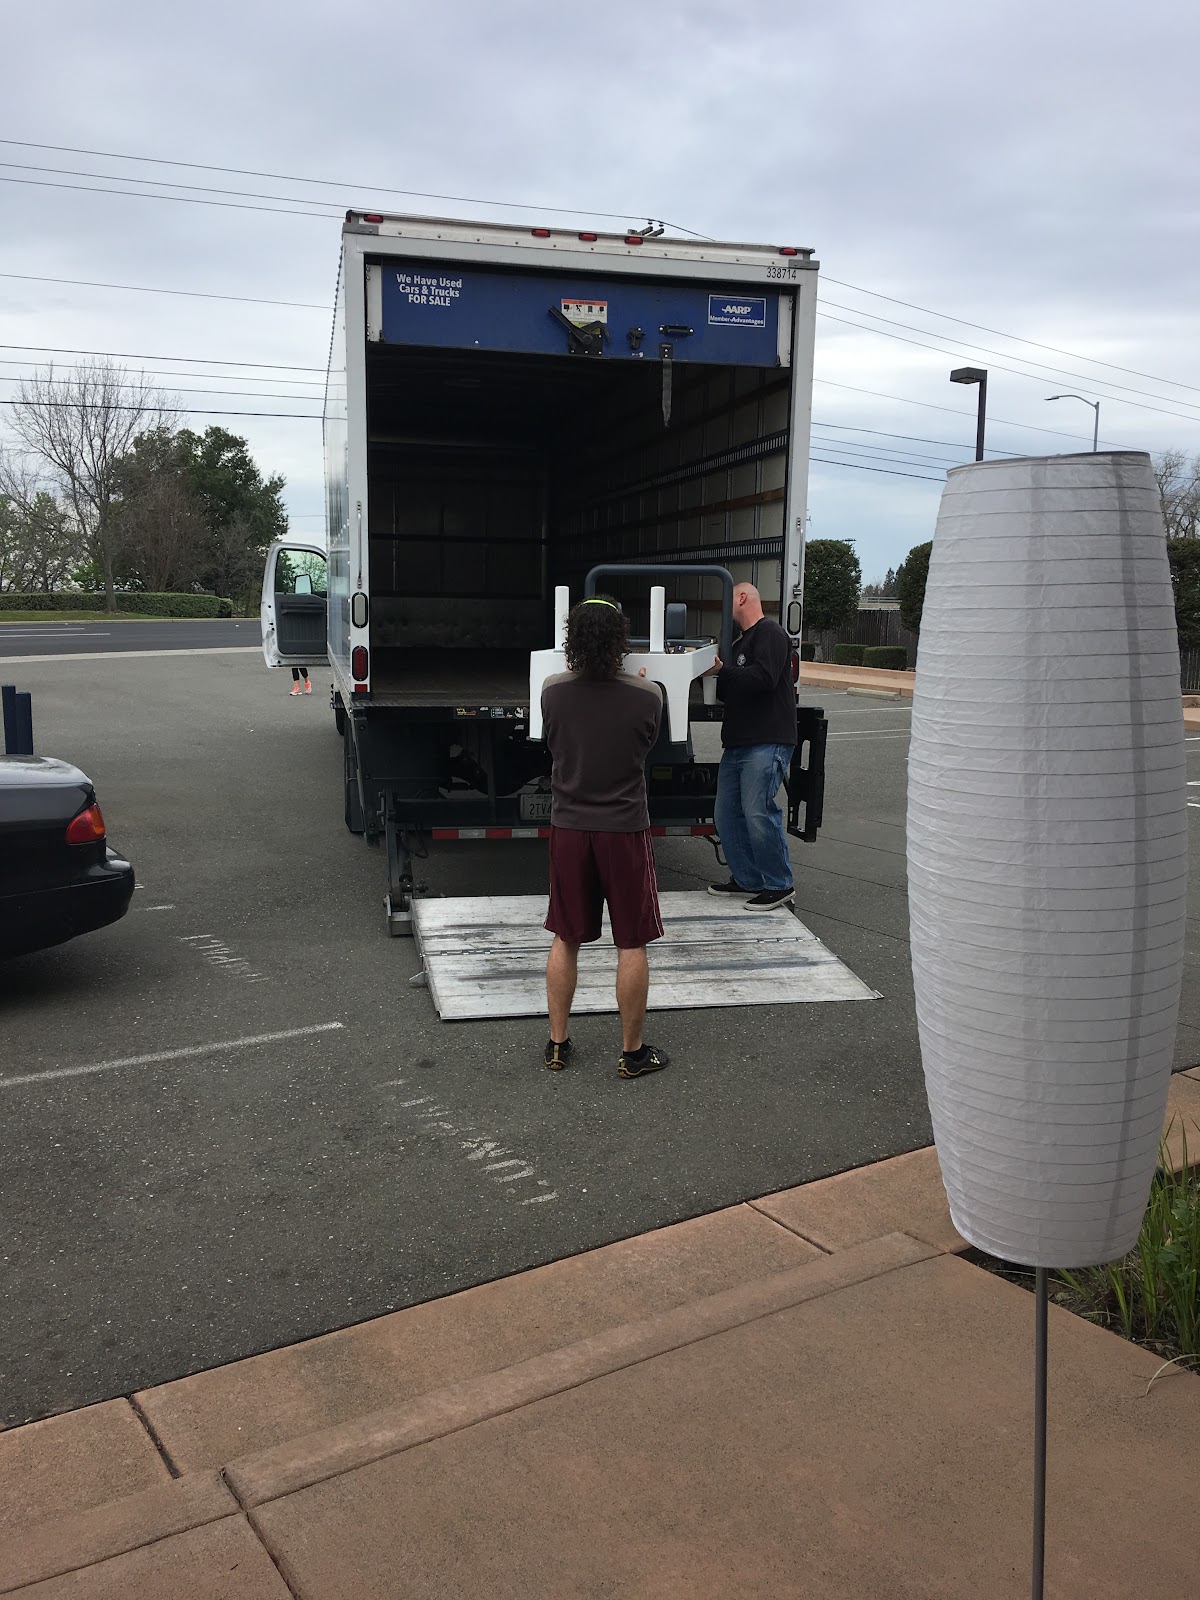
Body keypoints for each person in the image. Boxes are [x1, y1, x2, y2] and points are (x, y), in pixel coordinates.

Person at [540, 597, 670, 1079]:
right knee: (631, 942)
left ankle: (557, 1043)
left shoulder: (552, 691)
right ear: (621, 641)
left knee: (566, 936)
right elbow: (647, 745)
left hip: (570, 828)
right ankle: (631, 1054)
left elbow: (553, 742)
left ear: (572, 639)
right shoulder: (649, 695)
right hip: (624, 829)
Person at [706, 582, 797, 911]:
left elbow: (764, 678)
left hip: (766, 739)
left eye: (729, 597)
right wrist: (715, 675)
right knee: (726, 814)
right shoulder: (738, 643)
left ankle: (779, 884)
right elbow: (729, 689)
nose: (725, 604)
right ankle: (748, 879)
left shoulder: (770, 632)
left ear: (742, 597)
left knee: (758, 812)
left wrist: (724, 672)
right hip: (738, 743)